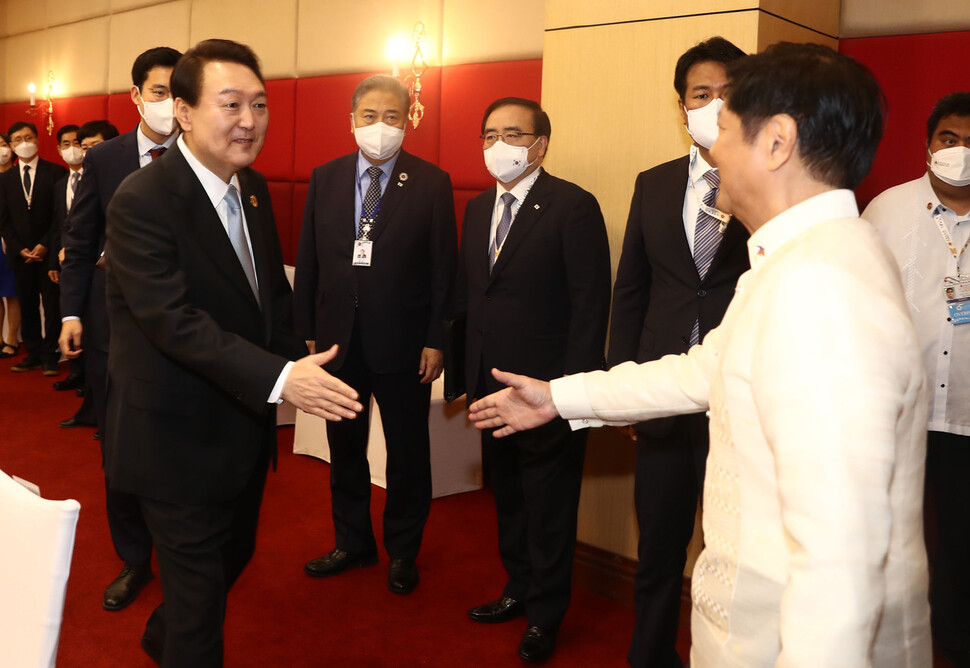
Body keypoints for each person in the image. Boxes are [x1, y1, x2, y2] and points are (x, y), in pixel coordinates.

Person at [469, 43, 932, 667]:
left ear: (776, 143)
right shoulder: (794, 261)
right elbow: (703, 369)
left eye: (728, 128)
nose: (713, 149)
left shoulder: (827, 293)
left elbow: (839, 571)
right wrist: (558, 396)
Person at [102, 39, 362, 666]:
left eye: (260, 104)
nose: (250, 120)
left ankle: (163, 638)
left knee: (227, 564)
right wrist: (281, 380)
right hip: (172, 439)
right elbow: (173, 321)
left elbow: (268, 295)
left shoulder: (252, 191)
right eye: (230, 105)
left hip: (239, 432)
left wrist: (303, 363)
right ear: (184, 112)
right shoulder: (142, 199)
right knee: (200, 612)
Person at [608, 36, 748, 668]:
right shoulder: (654, 183)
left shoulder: (766, 184)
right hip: (662, 394)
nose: (713, 105)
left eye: (727, 94)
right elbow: (630, 290)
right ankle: (649, 654)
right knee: (659, 547)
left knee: (735, 551)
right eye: (701, 94)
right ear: (681, 105)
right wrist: (622, 389)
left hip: (737, 399)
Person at [456, 97, 611, 663]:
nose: (500, 145)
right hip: (490, 388)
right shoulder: (476, 208)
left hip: (548, 394)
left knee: (549, 507)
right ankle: (516, 587)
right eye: (490, 133)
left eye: (513, 134)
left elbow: (590, 307)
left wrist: (571, 394)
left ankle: (546, 615)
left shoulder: (572, 206)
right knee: (510, 500)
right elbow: (475, 296)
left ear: (540, 144)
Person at [293, 74, 456, 596]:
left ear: (407, 122)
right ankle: (353, 543)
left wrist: (437, 339)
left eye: (392, 117)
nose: (380, 127)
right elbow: (311, 261)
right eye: (370, 117)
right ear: (352, 121)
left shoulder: (432, 182)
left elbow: (442, 271)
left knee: (408, 453)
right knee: (344, 449)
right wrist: (308, 334)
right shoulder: (325, 177)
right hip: (337, 341)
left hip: (406, 344)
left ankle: (403, 551)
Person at [59, 47, 180, 613]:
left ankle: (182, 553)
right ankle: (134, 557)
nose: (167, 105)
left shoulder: (206, 154)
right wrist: (71, 313)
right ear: (136, 97)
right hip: (114, 332)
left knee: (180, 451)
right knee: (121, 453)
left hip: (185, 334)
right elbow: (79, 244)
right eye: (157, 93)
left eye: (176, 93)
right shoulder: (104, 160)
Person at [863, 91, 970, 668]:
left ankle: (954, 643)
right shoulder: (885, 210)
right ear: (927, 145)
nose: (959, 151)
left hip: (967, 415)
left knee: (960, 541)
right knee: (885, 537)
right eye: (948, 139)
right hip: (896, 407)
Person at [0, 121, 67, 375]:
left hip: (47, 254)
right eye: (17, 139)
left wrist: (43, 245)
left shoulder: (55, 172)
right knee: (27, 306)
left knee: (52, 307)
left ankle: (51, 354)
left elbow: (59, 216)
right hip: (20, 256)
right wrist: (19, 249)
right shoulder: (5, 180)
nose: (23, 143)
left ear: (37, 140)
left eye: (28, 137)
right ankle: (33, 352)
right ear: (13, 145)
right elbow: (3, 221)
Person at [47, 124, 86, 397]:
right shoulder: (60, 183)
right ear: (59, 149)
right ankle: (75, 372)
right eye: (65, 143)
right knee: (69, 315)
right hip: (65, 261)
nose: (72, 148)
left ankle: (89, 377)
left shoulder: (97, 177)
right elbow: (57, 226)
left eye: (77, 142)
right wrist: (53, 261)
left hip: (90, 260)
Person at [0, 133, 22, 359]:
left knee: (11, 293)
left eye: (4, 145)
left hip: (10, 242)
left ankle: (12, 339)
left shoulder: (18, 176)